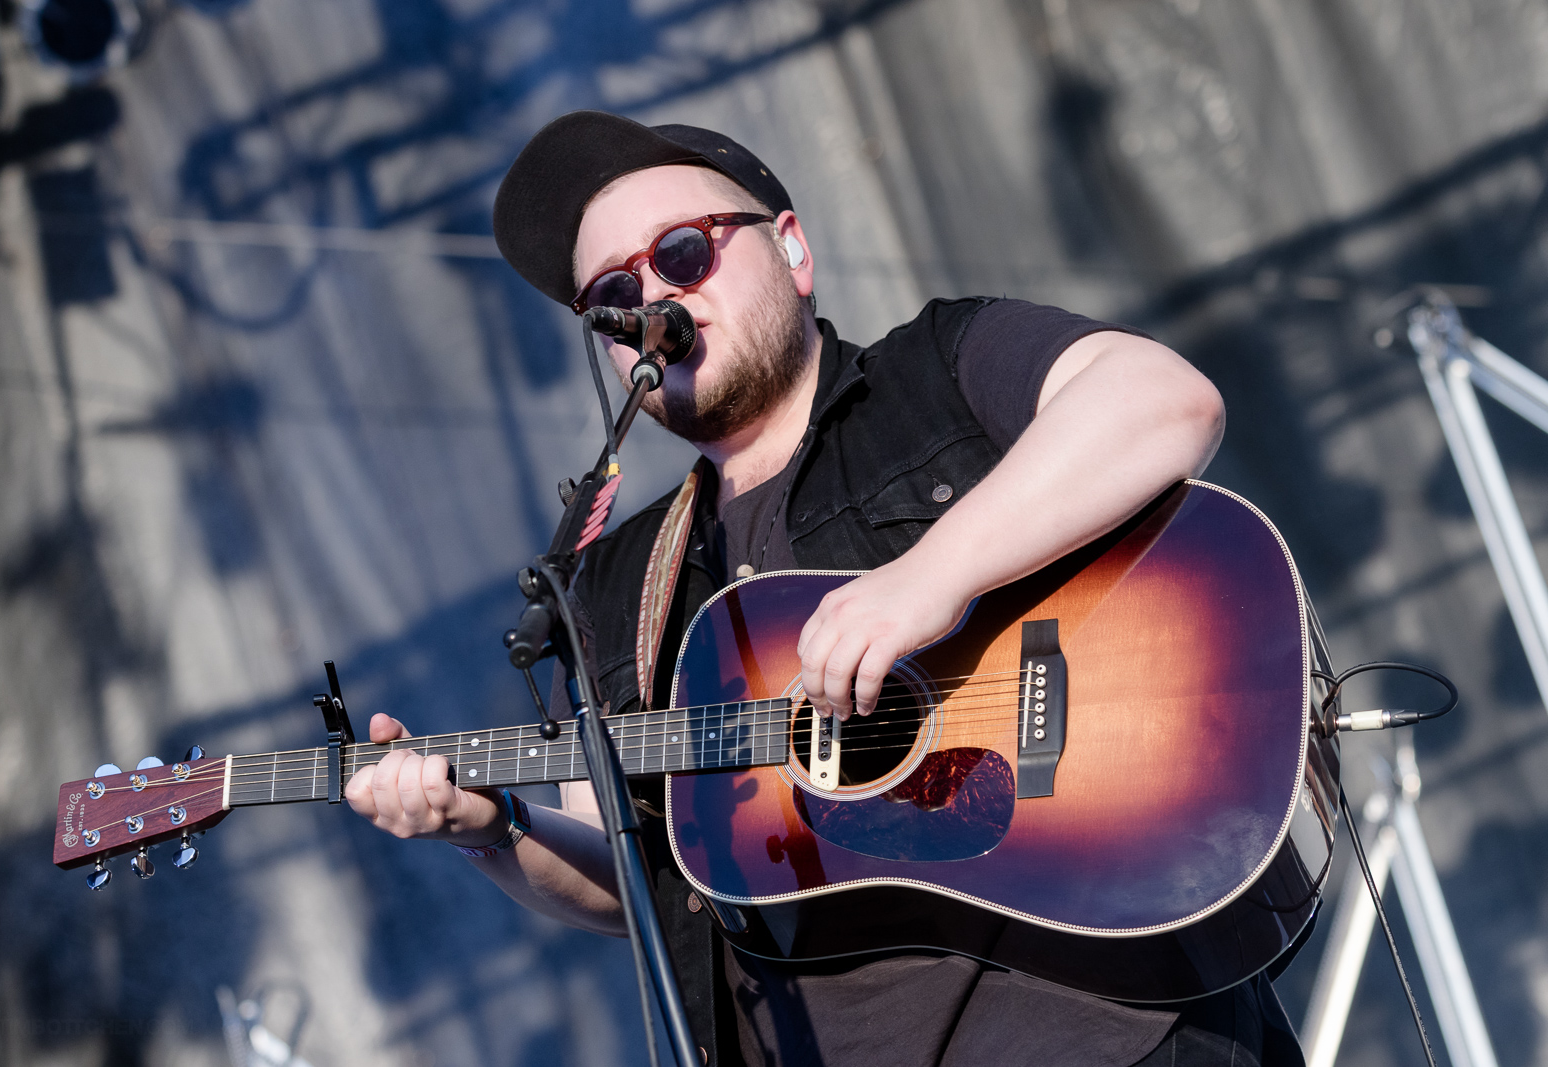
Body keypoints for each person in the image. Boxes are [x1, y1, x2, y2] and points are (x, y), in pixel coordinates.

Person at [345, 111, 1304, 1066]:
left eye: (684, 253)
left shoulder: (938, 370)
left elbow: (1161, 400)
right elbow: (628, 871)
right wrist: (491, 828)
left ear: (792, 248)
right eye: (614, 293)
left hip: (1102, 1028)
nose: (655, 297)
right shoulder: (615, 586)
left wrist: (930, 577)